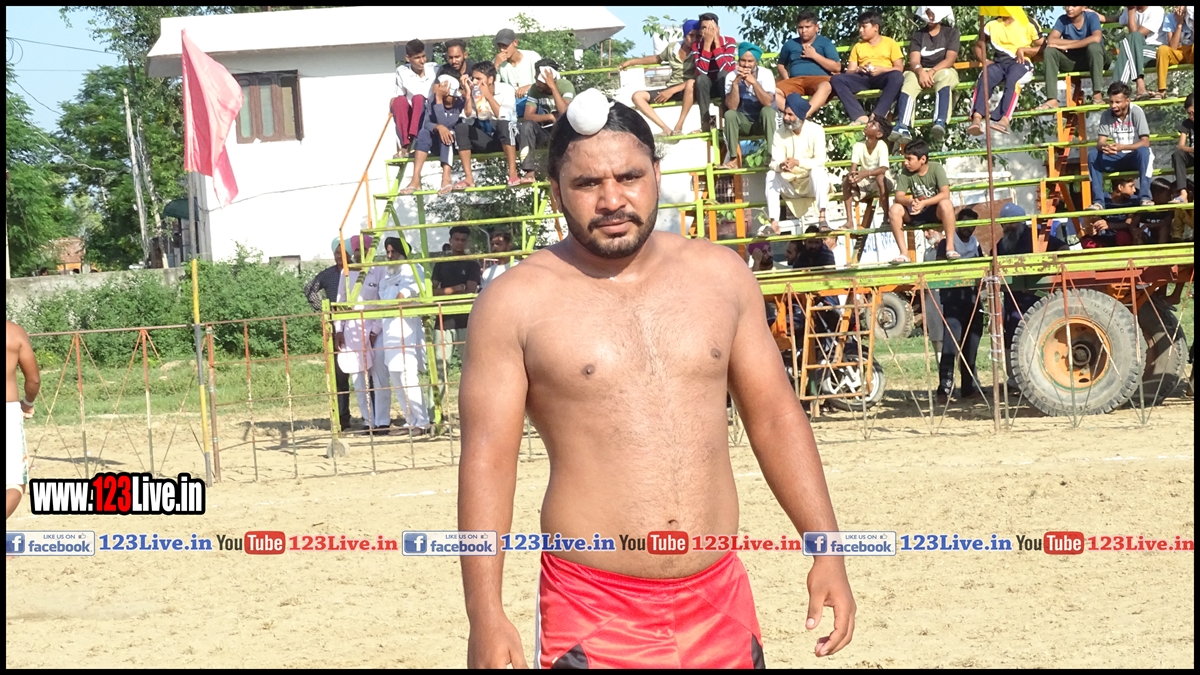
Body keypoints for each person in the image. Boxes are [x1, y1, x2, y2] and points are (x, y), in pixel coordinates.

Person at [458, 89, 855, 669]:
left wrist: (826, 547)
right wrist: (485, 613)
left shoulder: (720, 275)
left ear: (657, 175)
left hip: (719, 604)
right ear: (556, 193)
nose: (612, 199)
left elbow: (775, 415)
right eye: (587, 183)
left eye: (629, 177)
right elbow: (488, 459)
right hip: (592, 612)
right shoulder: (515, 302)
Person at [334, 235, 391, 434]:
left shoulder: (380, 271)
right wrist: (338, 329)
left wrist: (374, 331)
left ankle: (383, 421)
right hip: (352, 330)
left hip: (376, 329)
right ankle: (368, 421)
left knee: (379, 376)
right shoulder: (346, 273)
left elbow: (382, 302)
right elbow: (341, 302)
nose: (360, 253)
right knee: (358, 378)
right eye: (357, 250)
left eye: (364, 250)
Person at [378, 237, 430, 436]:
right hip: (389, 330)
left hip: (406, 330)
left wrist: (395, 301)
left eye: (394, 252)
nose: (390, 256)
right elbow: (383, 296)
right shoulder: (387, 273)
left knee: (409, 378)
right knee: (396, 378)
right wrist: (392, 303)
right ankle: (410, 421)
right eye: (388, 252)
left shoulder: (413, 269)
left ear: (402, 252)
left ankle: (422, 422)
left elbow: (407, 294)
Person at [304, 238, 356, 431]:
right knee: (340, 375)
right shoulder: (328, 275)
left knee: (366, 374)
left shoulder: (359, 272)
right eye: (336, 253)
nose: (339, 257)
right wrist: (325, 309)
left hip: (360, 326)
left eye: (343, 253)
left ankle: (374, 418)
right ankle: (343, 417)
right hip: (337, 329)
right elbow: (309, 289)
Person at [934, 208, 984, 403]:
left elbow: (981, 267)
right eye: (964, 223)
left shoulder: (975, 245)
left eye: (971, 225)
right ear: (957, 223)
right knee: (950, 345)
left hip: (972, 299)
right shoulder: (947, 243)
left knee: (971, 346)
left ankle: (968, 387)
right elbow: (939, 268)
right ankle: (944, 388)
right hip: (953, 300)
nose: (967, 228)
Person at [893, 6, 960, 146]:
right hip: (921, 71)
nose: (930, 16)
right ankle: (902, 125)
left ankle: (940, 121)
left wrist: (932, 71)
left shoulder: (951, 32)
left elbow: (950, 59)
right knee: (908, 80)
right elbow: (914, 60)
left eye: (933, 13)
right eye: (928, 13)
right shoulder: (919, 34)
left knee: (945, 78)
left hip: (943, 69)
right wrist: (921, 72)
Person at [968, 9, 1040, 136]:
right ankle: (977, 118)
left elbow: (1043, 47)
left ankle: (1004, 119)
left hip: (1020, 62)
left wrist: (1025, 50)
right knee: (985, 75)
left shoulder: (1028, 22)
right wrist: (984, 61)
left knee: (1013, 79)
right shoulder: (991, 24)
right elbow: (979, 46)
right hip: (999, 64)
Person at [620, 19, 699, 135]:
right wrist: (632, 62)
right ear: (685, 34)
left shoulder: (700, 51)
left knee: (691, 83)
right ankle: (665, 129)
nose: (695, 39)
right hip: (672, 87)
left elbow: (698, 77)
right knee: (637, 96)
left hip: (691, 90)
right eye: (691, 35)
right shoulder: (673, 47)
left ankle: (678, 127)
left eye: (698, 36)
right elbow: (657, 59)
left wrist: (671, 91)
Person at [431, 226, 481, 402]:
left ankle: (475, 407)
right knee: (439, 369)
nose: (459, 243)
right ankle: (434, 412)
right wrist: (456, 288)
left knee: (472, 369)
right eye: (457, 239)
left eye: (463, 240)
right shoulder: (441, 264)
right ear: (450, 240)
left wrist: (445, 291)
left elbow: (470, 290)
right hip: (443, 321)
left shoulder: (472, 264)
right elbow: (432, 292)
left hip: (466, 321)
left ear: (467, 242)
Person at [830, 11, 904, 127]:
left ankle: (878, 115)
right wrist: (859, 69)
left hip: (883, 76)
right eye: (859, 27)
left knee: (897, 77)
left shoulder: (890, 43)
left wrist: (882, 70)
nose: (860, 30)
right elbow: (850, 71)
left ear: (875, 27)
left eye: (864, 27)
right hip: (863, 77)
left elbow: (899, 68)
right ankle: (859, 116)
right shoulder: (858, 46)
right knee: (837, 79)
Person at [765, 94, 827, 232]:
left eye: (790, 114)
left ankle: (822, 218)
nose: (785, 118)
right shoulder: (779, 133)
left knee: (819, 171)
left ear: (800, 117)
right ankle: (774, 224)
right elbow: (774, 163)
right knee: (771, 175)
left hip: (811, 185)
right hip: (791, 185)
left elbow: (820, 161)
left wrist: (797, 162)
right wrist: (781, 166)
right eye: (785, 113)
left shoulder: (816, 130)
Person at [1087, 82, 1154, 210]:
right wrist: (1105, 147)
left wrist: (1122, 147)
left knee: (1145, 152)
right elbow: (1100, 142)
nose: (1114, 106)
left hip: (1133, 157)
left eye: (1118, 102)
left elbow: (1145, 142)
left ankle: (1145, 197)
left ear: (1127, 101)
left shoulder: (1136, 112)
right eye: (1111, 102)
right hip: (1115, 156)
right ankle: (1098, 201)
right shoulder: (1106, 115)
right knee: (1093, 155)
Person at [400, 70, 467, 196]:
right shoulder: (433, 100)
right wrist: (438, 126)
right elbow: (426, 123)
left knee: (447, 133)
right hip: (435, 143)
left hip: (454, 144)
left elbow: (447, 123)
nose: (452, 98)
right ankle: (415, 179)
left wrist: (439, 102)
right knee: (424, 133)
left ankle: (446, 178)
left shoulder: (459, 103)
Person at [455, 61, 520, 189]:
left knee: (503, 124)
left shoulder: (506, 89)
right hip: (490, 139)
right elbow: (467, 117)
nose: (474, 82)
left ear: (490, 79)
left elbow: (504, 117)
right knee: (461, 128)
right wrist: (468, 95)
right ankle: (468, 178)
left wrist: (488, 96)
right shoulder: (475, 92)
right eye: (473, 78)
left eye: (478, 79)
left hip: (510, 137)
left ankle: (513, 173)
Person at [888, 139, 956, 263]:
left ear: (923, 159)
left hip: (935, 211)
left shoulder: (936, 168)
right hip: (915, 212)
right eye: (905, 158)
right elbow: (898, 197)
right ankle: (904, 253)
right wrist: (910, 202)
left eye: (909, 159)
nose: (905, 162)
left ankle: (950, 248)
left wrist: (924, 203)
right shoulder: (906, 172)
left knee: (946, 203)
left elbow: (945, 193)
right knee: (894, 209)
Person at [718, 42, 777, 170]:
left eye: (750, 61)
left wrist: (754, 83)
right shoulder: (731, 76)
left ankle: (772, 156)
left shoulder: (766, 74)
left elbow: (768, 102)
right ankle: (733, 159)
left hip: (761, 122)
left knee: (768, 111)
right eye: (743, 60)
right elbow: (732, 107)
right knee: (729, 114)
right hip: (743, 122)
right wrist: (735, 84)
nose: (746, 64)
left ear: (756, 62)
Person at [774, 11, 840, 121]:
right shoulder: (790, 44)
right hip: (795, 81)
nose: (803, 30)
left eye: (807, 27)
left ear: (816, 27)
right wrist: (786, 78)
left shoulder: (825, 43)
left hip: (818, 80)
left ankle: (803, 115)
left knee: (827, 86)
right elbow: (781, 64)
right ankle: (793, 112)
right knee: (771, 92)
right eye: (800, 27)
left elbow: (836, 67)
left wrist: (814, 56)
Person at [518, 59, 576, 181]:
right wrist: (549, 117)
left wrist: (553, 88)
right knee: (526, 126)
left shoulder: (565, 86)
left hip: (564, 132)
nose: (537, 83)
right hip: (546, 131)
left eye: (539, 80)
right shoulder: (535, 89)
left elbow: (564, 112)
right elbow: (528, 116)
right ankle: (529, 172)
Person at [1039, 6, 1106, 108]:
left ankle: (1097, 95)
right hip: (1074, 61)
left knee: (1094, 47)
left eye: (1074, 6)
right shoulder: (1062, 20)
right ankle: (1052, 99)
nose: (1069, 8)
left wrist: (1067, 46)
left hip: (1096, 60)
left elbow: (1096, 38)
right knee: (1049, 51)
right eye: (1067, 5)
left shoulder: (1092, 17)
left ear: (1083, 7)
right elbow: (1051, 40)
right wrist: (1083, 42)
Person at [7, 320, 39, 520]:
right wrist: (27, 402)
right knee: (14, 483)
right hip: (7, 411)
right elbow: (33, 380)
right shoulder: (14, 332)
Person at [842, 117, 894, 230]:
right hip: (865, 182)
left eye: (873, 124)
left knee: (880, 177)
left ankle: (886, 217)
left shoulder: (882, 145)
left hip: (882, 182)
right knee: (846, 180)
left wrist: (866, 173)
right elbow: (853, 168)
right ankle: (849, 221)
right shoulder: (858, 146)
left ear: (879, 134)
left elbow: (883, 169)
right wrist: (852, 177)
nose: (868, 124)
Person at [690, 12, 738, 133]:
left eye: (711, 28)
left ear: (718, 29)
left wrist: (716, 44)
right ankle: (706, 122)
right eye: (704, 28)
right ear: (700, 31)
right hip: (707, 87)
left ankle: (729, 120)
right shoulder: (697, 46)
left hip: (725, 85)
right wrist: (706, 46)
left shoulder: (729, 41)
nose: (708, 31)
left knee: (723, 75)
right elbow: (700, 72)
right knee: (701, 79)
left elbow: (727, 68)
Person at [392, 39, 438, 159]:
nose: (422, 61)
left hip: (429, 112)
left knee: (418, 99)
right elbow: (399, 96)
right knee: (398, 101)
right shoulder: (402, 72)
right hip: (412, 114)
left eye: (423, 56)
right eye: (417, 58)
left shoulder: (434, 69)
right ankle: (405, 144)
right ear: (408, 58)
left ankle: (414, 140)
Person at [1113, 5, 1166, 99]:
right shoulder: (1129, 8)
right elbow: (1119, 19)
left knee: (1126, 46)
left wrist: (1131, 11)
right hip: (1138, 51)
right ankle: (1126, 88)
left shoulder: (1157, 10)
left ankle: (1118, 90)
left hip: (1156, 51)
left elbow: (1135, 35)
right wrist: (1098, 16)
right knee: (1127, 47)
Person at [493, 28, 541, 111]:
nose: (501, 49)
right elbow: (492, 86)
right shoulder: (497, 62)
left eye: (505, 45)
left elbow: (546, 80)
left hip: (535, 100)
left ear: (515, 42)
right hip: (512, 103)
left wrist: (531, 86)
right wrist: (495, 66)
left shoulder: (533, 57)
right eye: (499, 46)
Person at [1087, 176, 1141, 246]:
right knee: (1088, 242)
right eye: (1131, 186)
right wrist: (1095, 226)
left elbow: (1129, 223)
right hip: (1105, 236)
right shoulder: (1102, 200)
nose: (1134, 190)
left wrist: (1109, 225)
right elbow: (1095, 217)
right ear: (1120, 187)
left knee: (1122, 236)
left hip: (1124, 237)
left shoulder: (1133, 201)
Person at [1155, 6, 1194, 98]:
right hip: (1178, 53)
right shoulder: (1170, 18)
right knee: (1162, 49)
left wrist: (1191, 19)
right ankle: (1161, 90)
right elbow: (1173, 47)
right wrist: (1179, 24)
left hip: (1191, 53)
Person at [920, 227, 944, 355]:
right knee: (936, 336)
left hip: (949, 299)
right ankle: (941, 365)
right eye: (923, 231)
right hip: (933, 300)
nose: (925, 234)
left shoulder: (952, 249)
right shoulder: (928, 253)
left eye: (928, 230)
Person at [1172, 92, 1194, 193]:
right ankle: (1183, 192)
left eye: (1193, 113)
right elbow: (1181, 146)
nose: (1191, 116)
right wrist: (1191, 149)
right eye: (1189, 113)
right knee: (1178, 155)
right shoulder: (1186, 124)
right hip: (1192, 154)